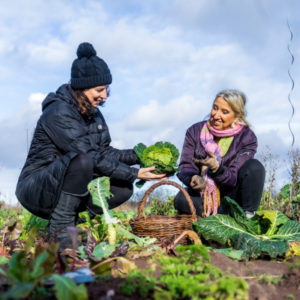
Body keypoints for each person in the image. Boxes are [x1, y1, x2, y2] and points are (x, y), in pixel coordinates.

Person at [16, 42, 166, 249]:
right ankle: (60, 231)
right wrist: (135, 173)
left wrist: (141, 155)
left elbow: (104, 151)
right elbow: (90, 156)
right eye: (99, 89)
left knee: (122, 188)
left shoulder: (93, 113)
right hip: (36, 187)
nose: (104, 95)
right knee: (83, 161)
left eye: (106, 89)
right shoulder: (58, 112)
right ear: (81, 88)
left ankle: (72, 221)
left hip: (64, 181)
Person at [174, 89, 265, 218]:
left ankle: (248, 217)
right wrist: (193, 178)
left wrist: (217, 169)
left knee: (254, 167)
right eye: (215, 108)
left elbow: (233, 178)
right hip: (203, 196)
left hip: (232, 199)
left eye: (224, 112)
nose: (216, 115)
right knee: (181, 200)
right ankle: (213, 216)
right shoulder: (194, 131)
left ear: (237, 116)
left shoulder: (247, 137)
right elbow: (186, 165)